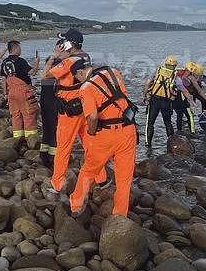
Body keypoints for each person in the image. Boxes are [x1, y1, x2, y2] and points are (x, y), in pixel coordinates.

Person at [69, 59, 138, 217]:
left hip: (106, 134)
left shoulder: (86, 88)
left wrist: (92, 133)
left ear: (80, 73)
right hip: (128, 131)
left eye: (77, 78)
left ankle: (76, 205)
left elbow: (92, 117)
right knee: (124, 178)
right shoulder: (114, 72)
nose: (78, 81)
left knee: (88, 170)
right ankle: (120, 214)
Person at [43, 29, 107, 192]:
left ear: (70, 44)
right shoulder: (85, 56)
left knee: (63, 147)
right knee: (89, 144)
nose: (61, 45)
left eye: (63, 42)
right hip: (84, 106)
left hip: (69, 111)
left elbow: (46, 76)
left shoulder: (68, 62)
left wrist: (54, 57)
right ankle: (102, 178)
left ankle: (57, 184)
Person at [0, 40, 40, 140]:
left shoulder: (5, 62)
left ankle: (17, 138)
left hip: (11, 92)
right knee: (28, 113)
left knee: (15, 115)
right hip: (23, 91)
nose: (20, 50)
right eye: (19, 48)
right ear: (16, 48)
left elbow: (3, 79)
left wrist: (5, 93)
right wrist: (37, 62)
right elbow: (32, 72)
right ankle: (31, 139)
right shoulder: (21, 61)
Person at [143, 56, 179, 147]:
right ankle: (172, 144)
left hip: (154, 100)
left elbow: (147, 84)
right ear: (175, 66)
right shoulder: (175, 76)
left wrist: (145, 96)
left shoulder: (157, 71)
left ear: (165, 64)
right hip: (167, 102)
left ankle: (148, 144)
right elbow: (182, 89)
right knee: (168, 123)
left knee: (150, 123)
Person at [39, 39, 64, 166]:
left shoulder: (50, 60)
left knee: (47, 128)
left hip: (44, 99)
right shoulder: (60, 63)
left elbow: (43, 76)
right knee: (55, 129)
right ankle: (53, 158)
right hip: (53, 100)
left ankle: (44, 155)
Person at [172, 62, 198, 134]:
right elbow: (185, 91)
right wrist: (192, 102)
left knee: (179, 115)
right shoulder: (179, 79)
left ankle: (179, 131)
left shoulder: (173, 76)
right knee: (189, 115)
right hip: (180, 98)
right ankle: (192, 132)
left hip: (173, 98)